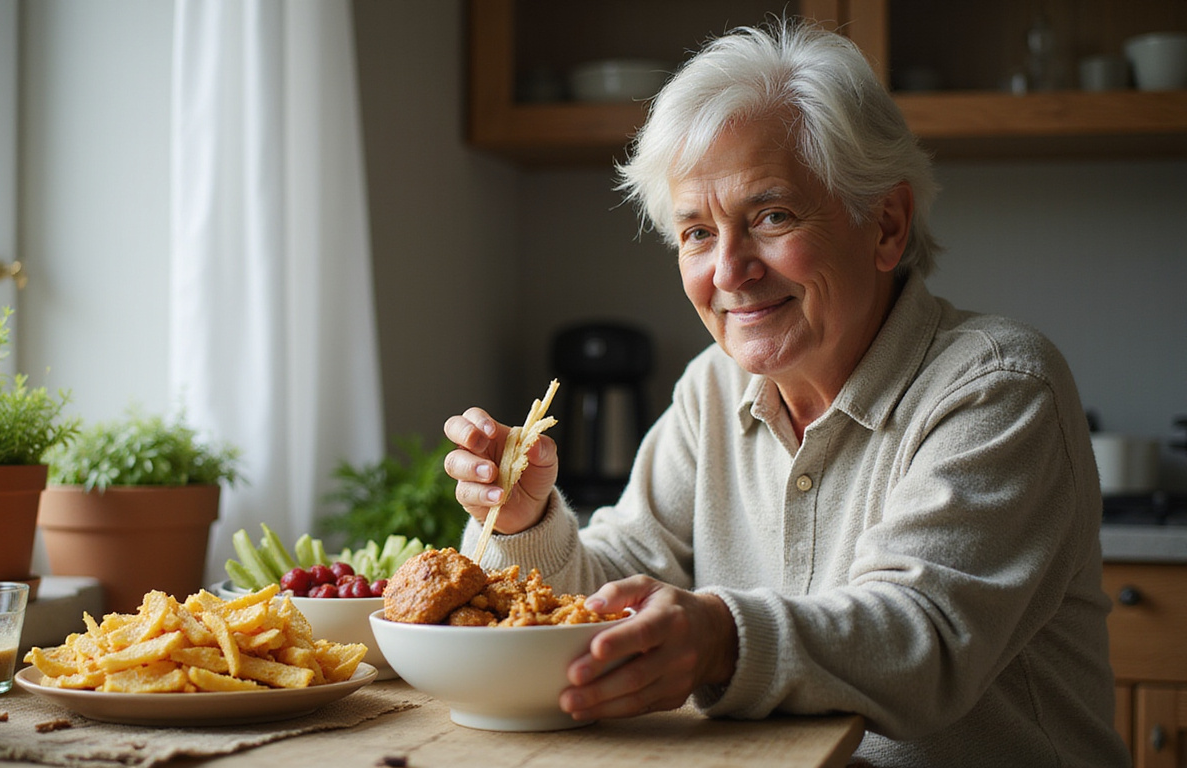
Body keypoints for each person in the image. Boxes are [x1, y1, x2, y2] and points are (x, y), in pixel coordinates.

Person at [441, 20, 1129, 768]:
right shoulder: (714, 386)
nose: (730, 272)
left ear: (887, 226)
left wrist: (719, 637)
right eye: (697, 233)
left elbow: (921, 639)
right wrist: (529, 518)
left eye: (771, 216)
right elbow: (624, 580)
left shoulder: (999, 385)